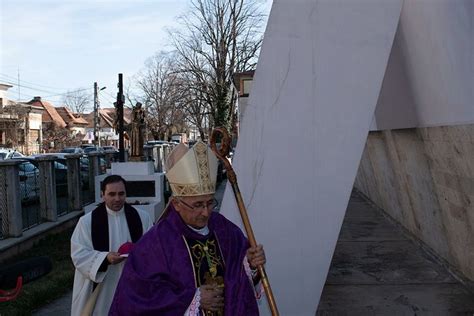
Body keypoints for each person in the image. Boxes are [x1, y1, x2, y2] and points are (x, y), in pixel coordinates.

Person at [110, 141, 266, 315]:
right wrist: (193, 299)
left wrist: (251, 264)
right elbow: (138, 297)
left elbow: (238, 278)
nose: (206, 212)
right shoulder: (156, 242)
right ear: (176, 204)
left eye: (209, 203)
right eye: (198, 205)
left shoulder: (224, 230)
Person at [71, 175, 154, 316]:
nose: (117, 199)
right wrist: (105, 258)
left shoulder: (141, 218)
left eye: (121, 194)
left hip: (132, 283)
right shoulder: (87, 222)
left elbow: (153, 249)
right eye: (111, 194)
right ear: (102, 195)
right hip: (103, 286)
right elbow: (78, 254)